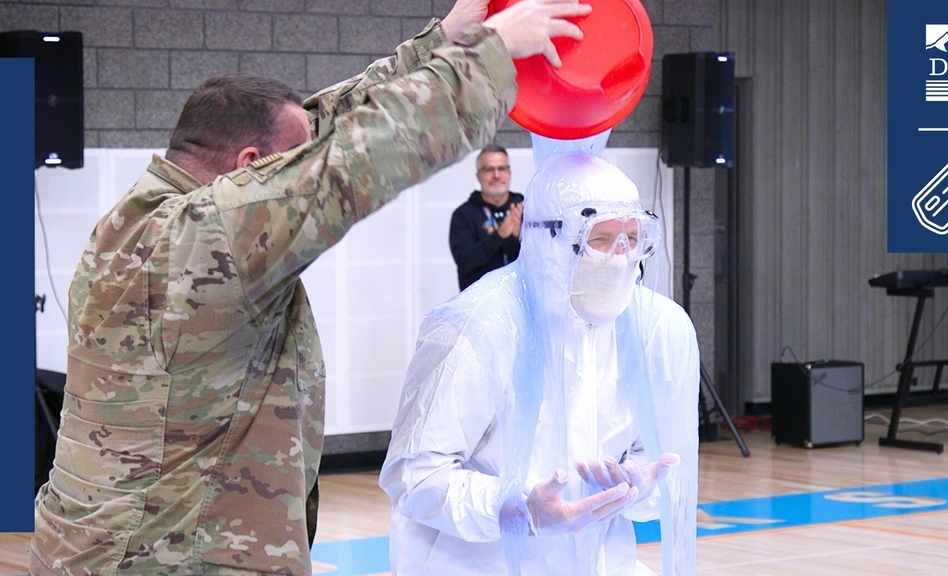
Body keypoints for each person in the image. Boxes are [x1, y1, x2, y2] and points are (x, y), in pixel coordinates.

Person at [28, 2, 594, 575]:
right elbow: (351, 159)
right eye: (286, 168)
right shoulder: (202, 238)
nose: (296, 172)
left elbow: (323, 132)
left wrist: (444, 39)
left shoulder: (148, 221)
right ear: (250, 165)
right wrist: (491, 51)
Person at [380, 152, 700, 576]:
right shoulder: (476, 327)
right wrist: (517, 510)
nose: (620, 257)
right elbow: (415, 475)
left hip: (599, 563)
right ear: (553, 240)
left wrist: (638, 487)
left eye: (631, 238)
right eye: (600, 239)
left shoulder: (653, 329)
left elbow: (659, 461)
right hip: (477, 566)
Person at [449, 144, 524, 290]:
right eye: (489, 169)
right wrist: (499, 235)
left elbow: (543, 259)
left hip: (520, 297)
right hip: (480, 300)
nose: (496, 175)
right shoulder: (463, 215)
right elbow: (465, 261)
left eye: (501, 168)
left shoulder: (526, 208)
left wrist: (520, 238)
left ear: (509, 173)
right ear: (478, 176)